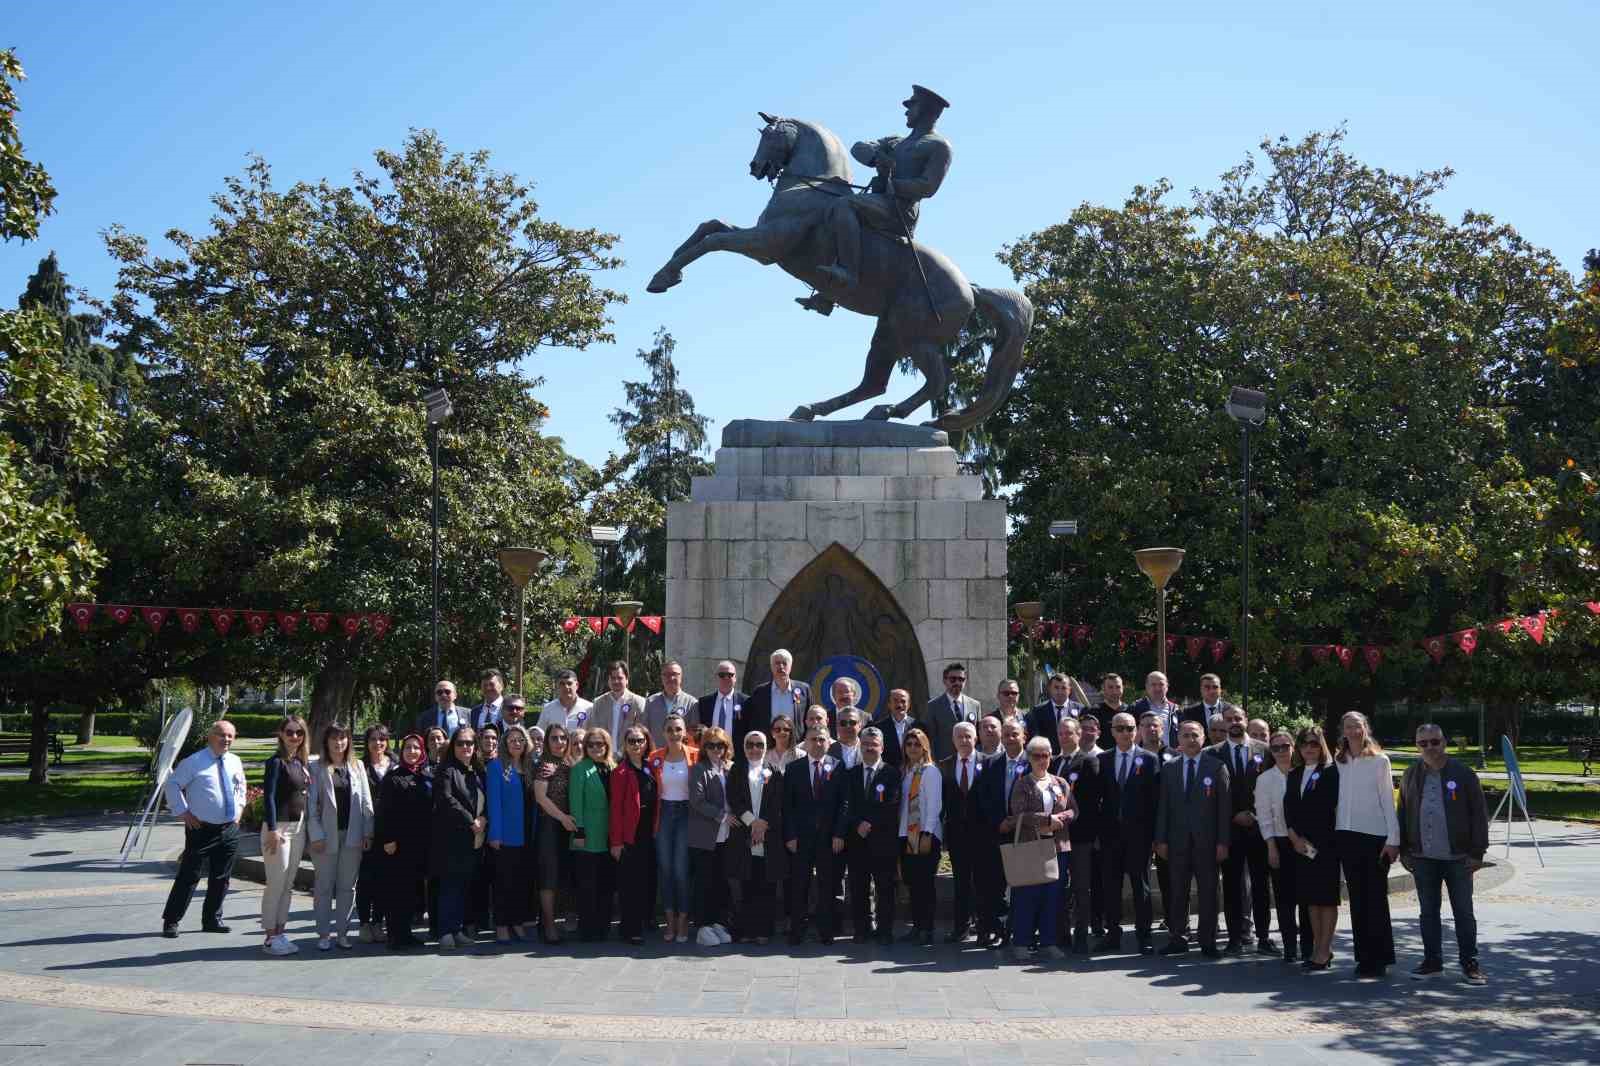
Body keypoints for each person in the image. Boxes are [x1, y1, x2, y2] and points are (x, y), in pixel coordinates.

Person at [799, 85, 953, 315]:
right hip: (878, 201)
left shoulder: (938, 146)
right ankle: (828, 294)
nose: (906, 111)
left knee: (845, 205)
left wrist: (893, 184)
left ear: (927, 110)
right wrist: (875, 157)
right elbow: (858, 147)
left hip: (900, 209)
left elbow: (928, 187)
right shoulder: (896, 141)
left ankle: (848, 272)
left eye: (912, 106)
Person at [1397, 724, 1489, 985]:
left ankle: (1469, 963)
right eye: (1423, 743)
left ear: (1444, 742)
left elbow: (1479, 814)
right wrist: (1405, 850)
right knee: (1428, 912)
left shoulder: (1463, 773)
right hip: (1423, 856)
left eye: (1434, 742)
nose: (1429, 748)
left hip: (1459, 857)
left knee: (1463, 911)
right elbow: (1402, 813)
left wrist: (1477, 852)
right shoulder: (1410, 774)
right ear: (1417, 745)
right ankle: (1432, 961)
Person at [161, 720, 246, 939]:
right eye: (221, 735)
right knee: (189, 876)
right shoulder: (194, 762)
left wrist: (239, 812)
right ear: (210, 736)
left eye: (230, 736)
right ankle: (171, 921)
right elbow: (172, 784)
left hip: (228, 829)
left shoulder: (235, 761)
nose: (226, 739)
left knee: (221, 877)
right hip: (201, 829)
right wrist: (183, 812)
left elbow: (241, 787)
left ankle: (212, 919)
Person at [1155, 720, 1230, 958]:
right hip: (1176, 842)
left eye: (1195, 735)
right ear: (1179, 739)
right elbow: (1163, 807)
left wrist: (1223, 842)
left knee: (1209, 892)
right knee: (1177, 891)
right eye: (1186, 735)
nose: (1190, 739)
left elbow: (1223, 809)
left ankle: (1207, 941)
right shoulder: (1169, 768)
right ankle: (1178, 937)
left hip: (1207, 843)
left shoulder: (1217, 767)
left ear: (1203, 738)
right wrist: (1161, 840)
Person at [1335, 710, 1399, 979]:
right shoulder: (1338, 762)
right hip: (1346, 836)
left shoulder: (1379, 761)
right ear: (1343, 731)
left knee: (1376, 899)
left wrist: (1393, 839)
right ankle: (1363, 957)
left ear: (1365, 728)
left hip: (1374, 837)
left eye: (1357, 726)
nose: (1353, 731)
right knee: (1357, 900)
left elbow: (1388, 800)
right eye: (1348, 727)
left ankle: (1381, 957)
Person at [1209, 703, 1274, 956]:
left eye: (1238, 717)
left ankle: (1264, 937)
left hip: (1259, 829)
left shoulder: (1265, 751)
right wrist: (1233, 816)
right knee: (1233, 886)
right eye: (1229, 718)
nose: (1234, 721)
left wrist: (1255, 815)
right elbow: (1213, 796)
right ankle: (1234, 938)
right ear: (1223, 723)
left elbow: (1271, 789)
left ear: (1246, 719)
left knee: (1260, 885)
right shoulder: (1212, 754)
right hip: (1230, 830)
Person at [1004, 736, 1075, 963]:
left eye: (1046, 755)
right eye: (1037, 756)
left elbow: (1074, 810)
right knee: (1027, 896)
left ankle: (1049, 942)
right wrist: (1047, 819)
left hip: (1057, 848)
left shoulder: (1060, 782)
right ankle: (1022, 942)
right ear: (1029, 758)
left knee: (1052, 898)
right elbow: (1018, 814)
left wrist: (1061, 817)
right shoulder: (1022, 783)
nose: (1042, 760)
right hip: (1030, 847)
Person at [1096, 712, 1160, 955]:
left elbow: (1155, 801)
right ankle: (1112, 934)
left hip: (1139, 836)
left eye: (1130, 728)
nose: (1125, 733)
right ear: (1112, 731)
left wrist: (1155, 837)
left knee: (1140, 887)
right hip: (1111, 836)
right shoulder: (1103, 759)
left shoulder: (1150, 759)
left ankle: (1144, 936)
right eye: (1120, 728)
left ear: (1137, 730)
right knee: (1110, 887)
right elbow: (1098, 799)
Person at [307, 723, 373, 951]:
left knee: (347, 887)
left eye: (343, 738)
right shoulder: (316, 767)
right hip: (325, 837)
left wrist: (368, 832)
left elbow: (366, 802)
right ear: (326, 741)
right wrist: (315, 835)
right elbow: (311, 806)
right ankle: (324, 934)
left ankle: (342, 933)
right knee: (324, 886)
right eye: (334, 738)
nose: (339, 743)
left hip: (352, 836)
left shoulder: (357, 766)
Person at [1284, 726, 1340, 972]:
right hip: (1300, 846)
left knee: (1326, 900)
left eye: (1314, 744)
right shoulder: (1294, 774)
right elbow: (1289, 810)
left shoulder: (1331, 772)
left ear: (1322, 746)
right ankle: (1318, 947)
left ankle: (1324, 950)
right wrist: (1294, 838)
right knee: (1310, 900)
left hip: (1326, 845)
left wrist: (1316, 841)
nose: (1309, 748)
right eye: (1305, 743)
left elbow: (1332, 808)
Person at [783, 725, 844, 944]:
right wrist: (790, 835)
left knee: (827, 886)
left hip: (829, 839)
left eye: (821, 740)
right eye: (813, 739)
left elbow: (843, 804)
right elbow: (787, 806)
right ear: (805, 743)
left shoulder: (838, 766)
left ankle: (825, 931)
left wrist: (839, 833)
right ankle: (797, 930)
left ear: (829, 742)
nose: (817, 744)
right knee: (800, 885)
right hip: (800, 838)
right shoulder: (794, 768)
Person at [840, 726, 901, 945]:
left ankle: (885, 930)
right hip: (857, 840)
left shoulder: (892, 773)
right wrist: (857, 823)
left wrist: (870, 823)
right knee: (859, 887)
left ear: (882, 747)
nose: (869, 748)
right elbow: (847, 805)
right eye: (865, 744)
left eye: (874, 745)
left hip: (882, 840)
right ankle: (861, 929)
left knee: (885, 887)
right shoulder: (851, 773)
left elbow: (892, 804)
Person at [1256, 729, 1311, 963]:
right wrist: (1271, 847)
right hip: (1279, 841)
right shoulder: (1265, 779)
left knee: (1308, 896)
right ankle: (1290, 946)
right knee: (1284, 898)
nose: (1280, 751)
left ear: (1293, 747)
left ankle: (1309, 946)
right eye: (1275, 748)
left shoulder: (1305, 773)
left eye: (1284, 746)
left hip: (1307, 843)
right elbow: (1264, 817)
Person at [726, 730, 786, 944]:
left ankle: (764, 931)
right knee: (746, 885)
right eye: (750, 744)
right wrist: (752, 822)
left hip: (767, 836)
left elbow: (778, 802)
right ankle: (746, 930)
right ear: (744, 747)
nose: (754, 749)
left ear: (765, 747)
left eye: (759, 745)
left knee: (766, 886)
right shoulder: (736, 770)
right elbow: (734, 798)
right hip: (744, 834)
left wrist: (763, 825)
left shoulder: (774, 771)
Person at [259, 716, 311, 955]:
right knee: (276, 884)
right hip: (278, 828)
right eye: (289, 732)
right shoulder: (276, 762)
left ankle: (280, 932)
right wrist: (271, 829)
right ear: (281, 734)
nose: (294, 737)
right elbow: (268, 797)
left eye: (299, 733)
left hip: (297, 828)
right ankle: (269, 938)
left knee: (288, 885)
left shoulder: (300, 762)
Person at [975, 717, 1030, 947]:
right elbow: (984, 798)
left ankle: (1023, 930)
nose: (1010, 738)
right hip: (998, 832)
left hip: (1026, 833)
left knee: (1024, 885)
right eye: (1006, 734)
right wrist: (1000, 821)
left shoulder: (1033, 761)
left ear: (1023, 736)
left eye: (1014, 734)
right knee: (995, 885)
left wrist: (1017, 821)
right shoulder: (990, 764)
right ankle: (997, 929)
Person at [430, 726, 484, 949]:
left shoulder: (475, 771)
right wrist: (470, 820)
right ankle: (445, 932)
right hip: (451, 837)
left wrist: (483, 819)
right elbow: (446, 799)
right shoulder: (446, 770)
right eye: (461, 743)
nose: (465, 747)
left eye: (469, 743)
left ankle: (457, 929)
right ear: (453, 746)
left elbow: (484, 798)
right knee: (450, 885)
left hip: (472, 838)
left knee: (462, 885)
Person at [1050, 717, 1101, 953]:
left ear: (1078, 735)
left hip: (1080, 837)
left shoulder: (1089, 761)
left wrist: (1091, 835)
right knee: (1058, 887)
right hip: (1056, 836)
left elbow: (1092, 804)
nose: (1063, 736)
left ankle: (1081, 935)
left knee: (1082, 888)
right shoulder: (1053, 762)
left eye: (1068, 733)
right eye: (1060, 733)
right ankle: (1061, 934)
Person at [375, 733, 430, 950]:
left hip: (419, 843)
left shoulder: (424, 776)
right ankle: (396, 936)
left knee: (412, 891)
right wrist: (388, 839)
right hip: (397, 844)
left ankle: (406, 933)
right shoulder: (393, 778)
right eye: (407, 748)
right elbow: (384, 813)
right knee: (398, 890)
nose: (412, 751)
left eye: (416, 748)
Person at [608, 724, 660, 945]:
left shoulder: (651, 767)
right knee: (631, 884)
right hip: (631, 834)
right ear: (625, 745)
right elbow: (616, 810)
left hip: (650, 831)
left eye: (640, 740)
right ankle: (629, 929)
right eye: (631, 741)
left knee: (647, 880)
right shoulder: (620, 772)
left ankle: (644, 921)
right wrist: (616, 842)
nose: (636, 745)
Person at [486, 723, 537, 944]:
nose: (517, 743)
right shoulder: (497, 767)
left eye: (521, 740)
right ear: (505, 743)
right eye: (512, 740)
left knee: (521, 881)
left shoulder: (529, 767)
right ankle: (501, 924)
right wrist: (495, 835)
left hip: (527, 833)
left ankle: (517, 922)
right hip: (506, 834)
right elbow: (494, 803)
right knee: (503, 882)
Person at [569, 726, 616, 942]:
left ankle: (603, 926)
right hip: (586, 835)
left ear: (607, 746)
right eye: (591, 744)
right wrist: (580, 830)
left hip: (610, 835)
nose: (596, 748)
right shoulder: (580, 768)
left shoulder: (613, 767)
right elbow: (575, 803)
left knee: (606, 884)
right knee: (587, 885)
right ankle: (588, 928)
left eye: (600, 744)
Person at [940, 721, 985, 943]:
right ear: (953, 740)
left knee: (983, 881)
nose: (964, 741)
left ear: (976, 738)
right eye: (960, 737)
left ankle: (984, 927)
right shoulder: (945, 765)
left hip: (982, 833)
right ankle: (961, 927)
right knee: (961, 882)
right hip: (957, 834)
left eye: (968, 736)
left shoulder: (988, 762)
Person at [689, 726, 734, 946]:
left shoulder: (730, 768)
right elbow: (697, 801)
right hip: (705, 835)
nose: (716, 749)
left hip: (727, 836)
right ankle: (703, 926)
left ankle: (718, 922)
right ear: (704, 747)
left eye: (720, 745)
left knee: (721, 881)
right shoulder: (699, 769)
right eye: (711, 745)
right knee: (704, 882)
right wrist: (722, 816)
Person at [897, 727, 942, 946]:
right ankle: (917, 925)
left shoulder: (930, 771)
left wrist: (928, 833)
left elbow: (934, 805)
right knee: (912, 883)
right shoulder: (906, 771)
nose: (913, 748)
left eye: (917, 744)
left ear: (924, 746)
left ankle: (928, 928)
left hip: (925, 834)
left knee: (925, 883)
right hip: (907, 834)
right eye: (909, 744)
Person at [532, 723, 575, 943]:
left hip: (567, 827)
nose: (559, 742)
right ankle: (548, 926)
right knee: (548, 878)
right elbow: (541, 798)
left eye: (563, 738)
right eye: (554, 738)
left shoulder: (567, 764)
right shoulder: (544, 765)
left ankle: (553, 922)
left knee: (562, 876)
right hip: (550, 825)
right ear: (547, 742)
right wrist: (562, 818)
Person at [355, 725, 393, 944]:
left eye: (381, 739)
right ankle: (364, 923)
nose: (377, 743)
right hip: (368, 831)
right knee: (366, 880)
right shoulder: (360, 766)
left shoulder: (394, 764)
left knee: (384, 879)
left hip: (389, 830)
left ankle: (378, 921)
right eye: (373, 739)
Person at [745, 649, 812, 740]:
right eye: (777, 663)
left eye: (784, 663)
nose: (781, 666)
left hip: (796, 746)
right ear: (771, 667)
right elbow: (754, 722)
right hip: (769, 747)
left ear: (790, 666)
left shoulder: (804, 690)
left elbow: (810, 718)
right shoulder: (760, 692)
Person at [927, 662, 982, 762]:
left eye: (961, 679)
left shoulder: (975, 705)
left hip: (970, 762)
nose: (957, 682)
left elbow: (978, 736)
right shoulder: (933, 706)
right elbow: (931, 739)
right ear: (944, 680)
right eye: (953, 679)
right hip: (944, 763)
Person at [644, 661, 698, 744]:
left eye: (675, 674)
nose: (671, 678)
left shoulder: (692, 703)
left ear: (681, 676)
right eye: (666, 675)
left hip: (682, 755)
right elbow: (645, 731)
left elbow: (694, 735)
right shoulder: (651, 701)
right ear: (661, 677)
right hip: (657, 754)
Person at [1027, 673, 1081, 755]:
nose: (1060, 691)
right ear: (1050, 689)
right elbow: (1035, 737)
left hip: (1074, 758)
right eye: (1056, 687)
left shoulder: (1080, 709)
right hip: (1048, 758)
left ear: (1069, 690)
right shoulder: (1038, 711)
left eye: (1064, 688)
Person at [1129, 671, 1182, 751]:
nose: (1157, 688)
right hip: (1144, 757)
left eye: (1161, 684)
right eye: (1153, 684)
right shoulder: (1135, 708)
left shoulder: (1176, 710)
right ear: (1147, 687)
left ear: (1167, 687)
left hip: (1169, 757)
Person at [698, 660, 748, 741]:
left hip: (737, 752)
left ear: (735, 678)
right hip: (711, 750)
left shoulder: (746, 701)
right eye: (722, 675)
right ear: (716, 678)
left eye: (730, 675)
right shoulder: (704, 703)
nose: (726, 678)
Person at [875, 686, 925, 767]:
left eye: (903, 701)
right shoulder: (879, 728)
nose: (899, 704)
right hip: (889, 774)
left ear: (908, 705)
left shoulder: (919, 726)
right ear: (889, 704)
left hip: (914, 773)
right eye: (895, 701)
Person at [1180, 673, 1237, 744]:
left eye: (1215, 687)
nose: (1211, 691)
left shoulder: (1230, 709)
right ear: (1201, 689)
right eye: (1207, 687)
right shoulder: (1189, 712)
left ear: (1220, 689)